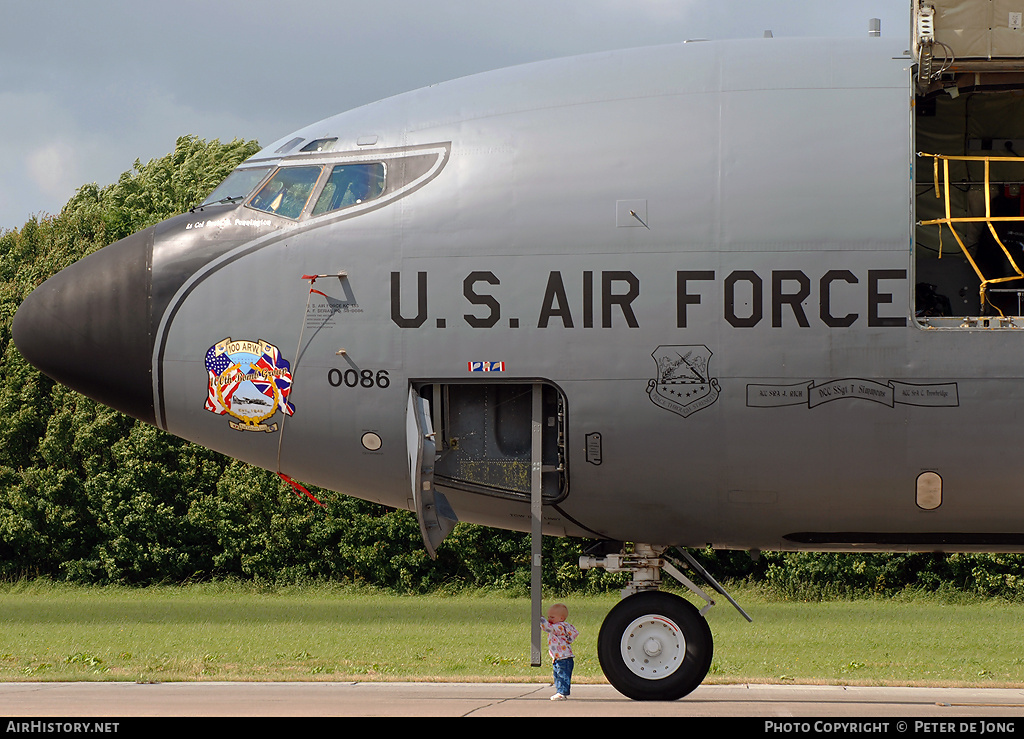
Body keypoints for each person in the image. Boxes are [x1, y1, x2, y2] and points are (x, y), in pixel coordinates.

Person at [540, 603, 578, 700]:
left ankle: (562, 692)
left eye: (552, 617)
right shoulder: (558, 626)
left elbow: (547, 628)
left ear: (561, 618)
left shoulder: (560, 627)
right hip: (558, 657)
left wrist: (541, 619)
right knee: (557, 674)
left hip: (563, 657)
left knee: (562, 675)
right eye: (548, 617)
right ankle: (559, 691)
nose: (549, 619)